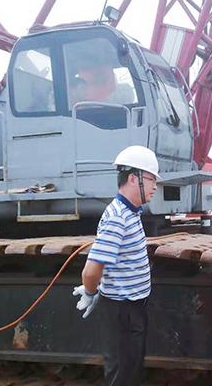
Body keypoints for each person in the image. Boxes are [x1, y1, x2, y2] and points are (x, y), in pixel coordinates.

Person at [73, 145, 160, 386]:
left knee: (130, 372)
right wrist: (90, 293)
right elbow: (91, 270)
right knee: (122, 376)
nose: (155, 186)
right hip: (123, 313)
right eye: (152, 179)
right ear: (133, 179)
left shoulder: (132, 213)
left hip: (132, 310)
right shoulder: (118, 217)